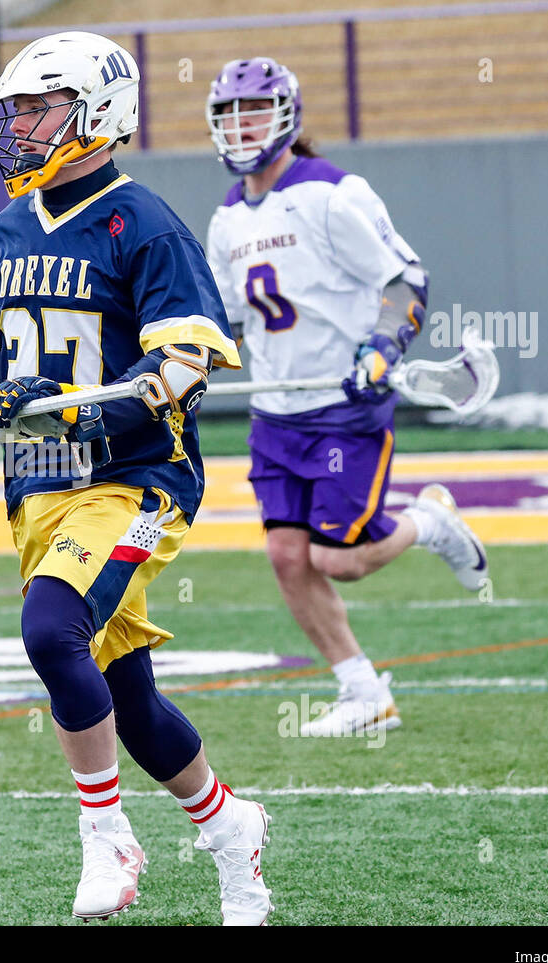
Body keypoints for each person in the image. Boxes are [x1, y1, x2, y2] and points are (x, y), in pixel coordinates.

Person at [0, 32, 271, 925]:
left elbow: (185, 361)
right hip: (39, 483)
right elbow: (6, 360)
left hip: (137, 479)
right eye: (17, 111)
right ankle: (232, 829)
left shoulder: (142, 222)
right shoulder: (8, 228)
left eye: (40, 107)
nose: (22, 127)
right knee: (130, 700)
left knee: (50, 630)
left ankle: (106, 835)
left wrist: (79, 410)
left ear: (99, 110)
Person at [203, 58, 490, 737]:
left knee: (340, 558)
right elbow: (223, 319)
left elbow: (406, 279)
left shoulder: (333, 194)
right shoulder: (224, 220)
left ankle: (431, 520)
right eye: (229, 114)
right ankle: (364, 691)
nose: (242, 126)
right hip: (275, 412)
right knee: (285, 556)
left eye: (254, 110)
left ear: (286, 116)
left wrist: (384, 346)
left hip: (343, 406)